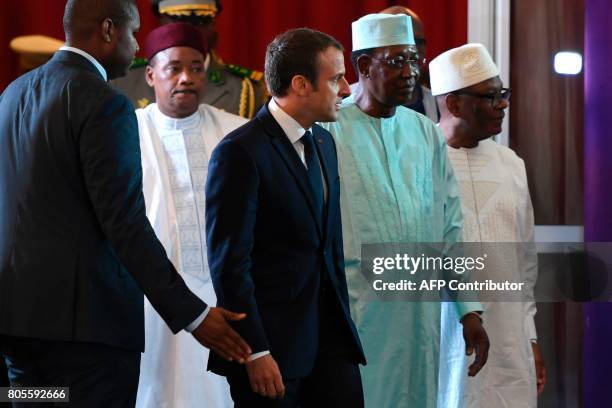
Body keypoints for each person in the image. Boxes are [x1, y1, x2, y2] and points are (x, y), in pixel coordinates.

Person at [0, 1, 251, 406]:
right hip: (86, 334)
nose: (135, 47)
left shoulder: (12, 94)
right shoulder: (105, 103)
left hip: (16, 326)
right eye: (133, 34)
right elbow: (123, 221)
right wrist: (194, 315)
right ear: (107, 30)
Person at [320, 14, 489, 408]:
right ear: (363, 67)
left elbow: (449, 227)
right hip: (357, 316)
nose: (411, 72)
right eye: (396, 61)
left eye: (414, 60)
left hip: (419, 317)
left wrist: (468, 310)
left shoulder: (424, 131)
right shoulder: (328, 130)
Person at [205, 28, 366, 407]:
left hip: (331, 346)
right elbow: (230, 265)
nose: (346, 88)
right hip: (272, 354)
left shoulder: (324, 143)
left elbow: (329, 249)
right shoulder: (240, 152)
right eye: (335, 78)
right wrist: (256, 351)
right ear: (300, 84)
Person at [134, 22, 248, 408]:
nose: (187, 78)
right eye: (175, 68)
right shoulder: (128, 133)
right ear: (151, 75)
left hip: (223, 293)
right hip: (152, 298)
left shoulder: (237, 133)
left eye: (197, 67)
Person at [430, 43, 546, 408]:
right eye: (491, 96)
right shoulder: (420, 159)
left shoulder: (512, 164)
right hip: (445, 338)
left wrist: (530, 337)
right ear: (453, 104)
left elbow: (525, 263)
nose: (503, 104)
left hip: (510, 342)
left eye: (503, 94)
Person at [111, 0, 267, 118]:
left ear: (214, 26)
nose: (188, 32)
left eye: (200, 22)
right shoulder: (123, 81)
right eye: (179, 21)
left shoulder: (248, 89)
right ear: (161, 22)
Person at [380, 5, 439, 122]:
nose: (413, 49)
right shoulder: (343, 105)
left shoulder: (438, 104)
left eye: (418, 42)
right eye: (403, 41)